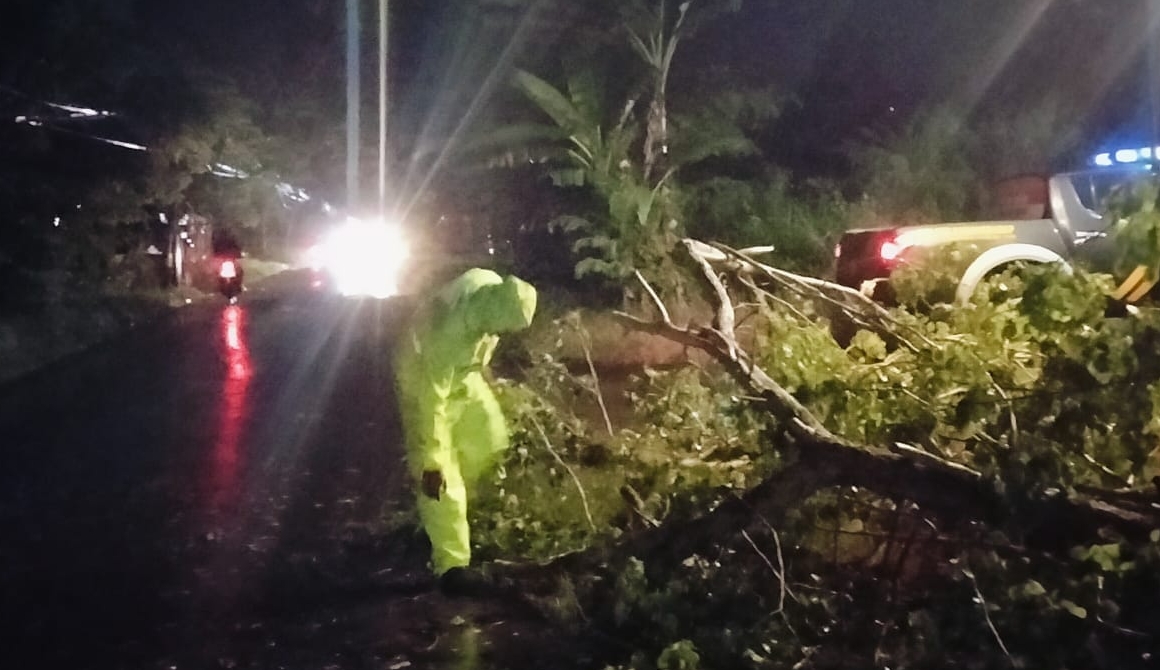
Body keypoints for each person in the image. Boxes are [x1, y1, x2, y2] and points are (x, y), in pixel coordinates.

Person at [393, 268, 537, 588]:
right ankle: (452, 566)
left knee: (491, 436)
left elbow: (480, 345)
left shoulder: (488, 289)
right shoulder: (448, 334)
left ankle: (446, 516)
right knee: (443, 476)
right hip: (423, 381)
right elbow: (432, 400)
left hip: (463, 376)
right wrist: (432, 461)